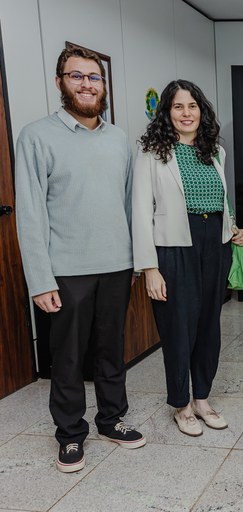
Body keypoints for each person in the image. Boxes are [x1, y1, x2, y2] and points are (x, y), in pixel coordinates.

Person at [14, 46, 145, 473]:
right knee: (67, 357)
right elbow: (30, 213)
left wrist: (134, 263)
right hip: (65, 271)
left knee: (111, 351)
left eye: (95, 77)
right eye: (77, 76)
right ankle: (70, 434)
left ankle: (111, 419)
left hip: (115, 266)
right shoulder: (36, 136)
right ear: (59, 83)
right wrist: (41, 279)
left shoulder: (118, 138)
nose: (87, 84)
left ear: (104, 86)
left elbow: (129, 205)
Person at [133, 80, 243, 437]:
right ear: (167, 112)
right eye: (178, 107)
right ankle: (181, 404)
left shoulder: (214, 150)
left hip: (215, 243)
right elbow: (140, 210)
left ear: (202, 111)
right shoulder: (151, 152)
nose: (186, 113)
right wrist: (149, 267)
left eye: (192, 106)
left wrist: (232, 229)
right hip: (173, 247)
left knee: (208, 326)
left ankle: (202, 398)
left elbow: (220, 199)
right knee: (178, 327)